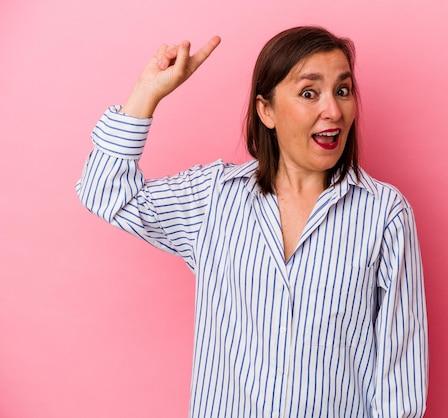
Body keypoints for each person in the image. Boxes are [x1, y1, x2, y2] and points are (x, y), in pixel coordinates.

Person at [77, 26, 428, 418]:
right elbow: (105, 191)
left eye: (342, 90)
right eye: (309, 93)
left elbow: (401, 375)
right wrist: (147, 92)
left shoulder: (384, 213)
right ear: (267, 111)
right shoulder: (213, 197)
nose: (333, 110)